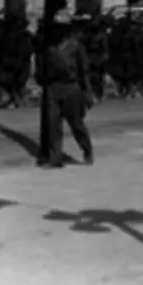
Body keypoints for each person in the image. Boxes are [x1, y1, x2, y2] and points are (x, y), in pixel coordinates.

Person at [41, 10, 94, 168]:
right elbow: (42, 68)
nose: (58, 30)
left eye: (62, 27)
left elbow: (83, 72)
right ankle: (55, 158)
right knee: (53, 124)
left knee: (76, 123)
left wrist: (87, 93)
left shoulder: (76, 46)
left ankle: (87, 150)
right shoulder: (49, 47)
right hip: (53, 87)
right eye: (56, 27)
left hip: (72, 87)